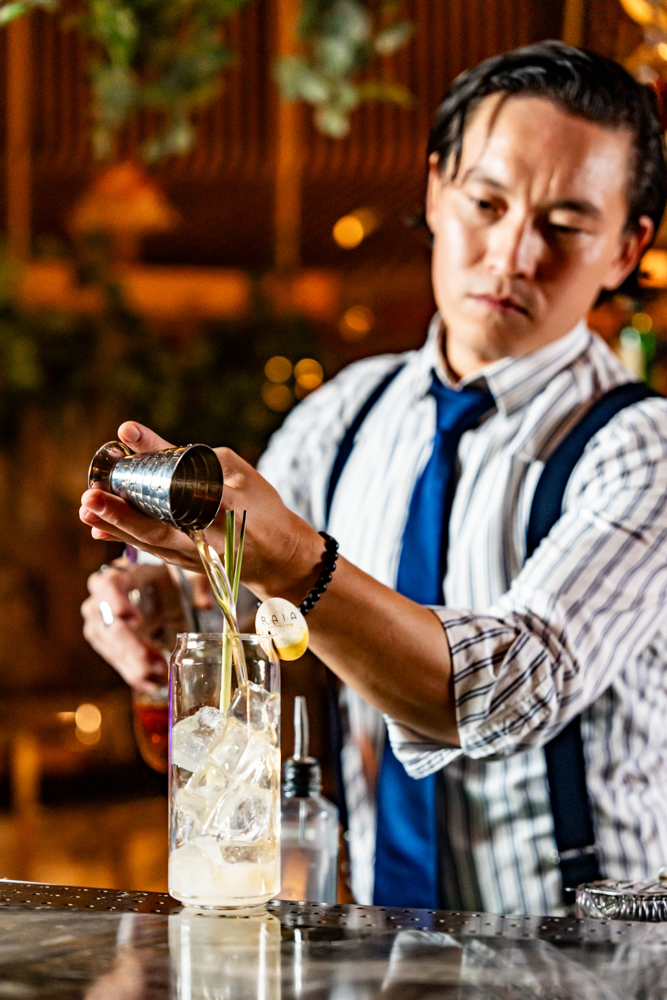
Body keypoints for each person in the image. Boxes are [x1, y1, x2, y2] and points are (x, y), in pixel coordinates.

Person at [81, 41, 667, 916]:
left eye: (563, 225)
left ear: (624, 250)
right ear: (434, 189)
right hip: (379, 946)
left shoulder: (643, 448)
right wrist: (167, 613)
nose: (511, 253)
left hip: (588, 952)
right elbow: (262, 631)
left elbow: (510, 688)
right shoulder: (345, 413)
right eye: (485, 203)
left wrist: (293, 564)